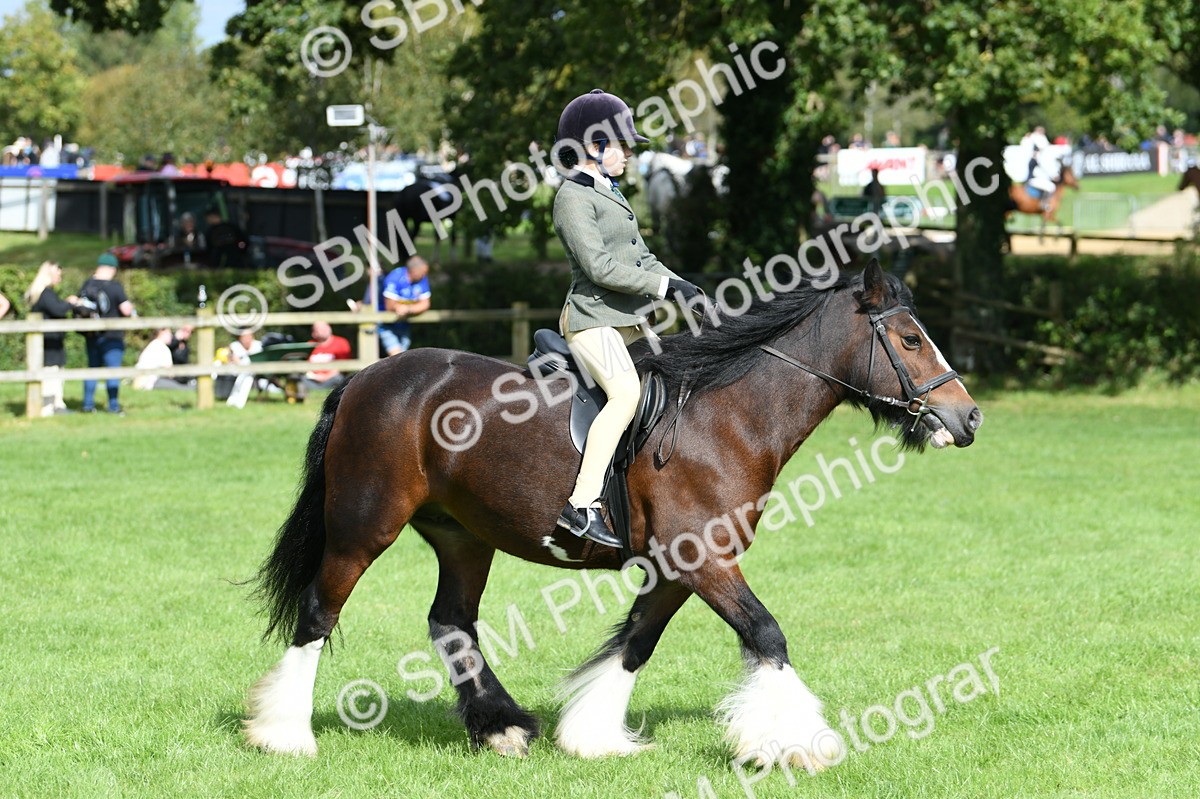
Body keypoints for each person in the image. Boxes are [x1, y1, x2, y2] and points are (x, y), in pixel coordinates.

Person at [551, 88, 702, 548]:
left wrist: (683, 286)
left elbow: (641, 256)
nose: (631, 154)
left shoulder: (610, 192)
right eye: (623, 145)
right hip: (592, 320)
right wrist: (662, 288)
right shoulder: (572, 198)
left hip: (628, 320)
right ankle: (580, 505)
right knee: (625, 395)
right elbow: (599, 267)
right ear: (595, 146)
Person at [79, 252, 136, 414]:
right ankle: (113, 405)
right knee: (113, 370)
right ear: (112, 269)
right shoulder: (115, 286)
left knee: (93, 369)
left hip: (92, 334)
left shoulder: (87, 284)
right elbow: (126, 310)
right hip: (112, 336)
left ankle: (88, 405)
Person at [24, 261, 79, 415]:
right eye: (58, 275)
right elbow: (59, 310)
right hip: (48, 342)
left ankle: (57, 405)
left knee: (55, 371)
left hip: (51, 340)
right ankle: (48, 407)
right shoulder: (46, 293)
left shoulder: (45, 293)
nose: (60, 279)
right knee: (51, 372)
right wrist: (70, 303)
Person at [301, 322, 352, 393]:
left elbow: (343, 367)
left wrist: (325, 377)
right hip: (313, 379)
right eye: (320, 329)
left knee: (339, 379)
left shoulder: (341, 342)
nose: (324, 330)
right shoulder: (310, 345)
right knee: (300, 379)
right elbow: (305, 366)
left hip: (333, 378)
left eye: (325, 327)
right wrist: (314, 376)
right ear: (313, 333)